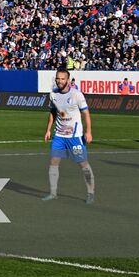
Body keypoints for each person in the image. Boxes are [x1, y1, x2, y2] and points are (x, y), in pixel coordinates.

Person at [42, 69, 95, 203]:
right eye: (58, 78)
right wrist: (48, 130)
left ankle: (90, 193)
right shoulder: (53, 94)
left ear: (68, 80)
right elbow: (53, 112)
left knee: (83, 164)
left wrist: (88, 132)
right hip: (59, 135)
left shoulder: (77, 95)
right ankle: (53, 193)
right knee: (54, 162)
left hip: (75, 136)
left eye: (62, 79)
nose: (59, 81)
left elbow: (86, 114)